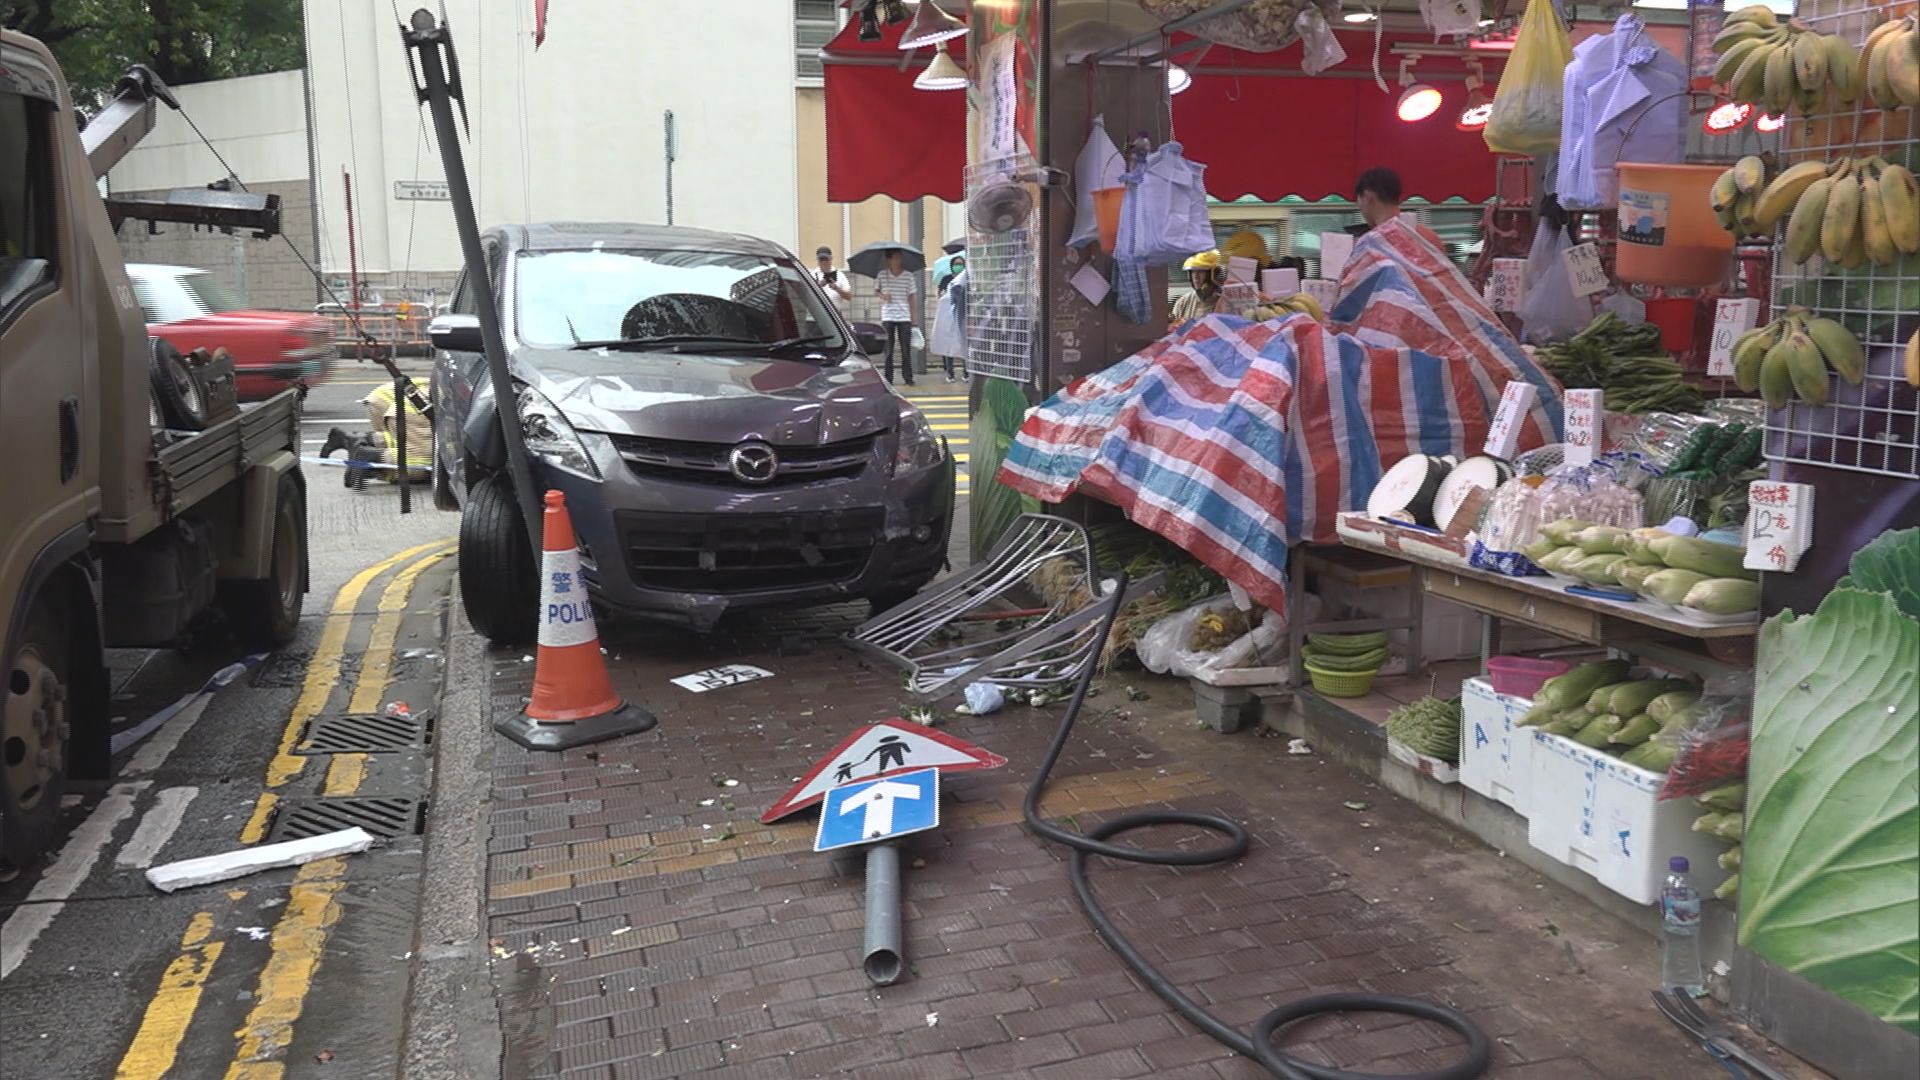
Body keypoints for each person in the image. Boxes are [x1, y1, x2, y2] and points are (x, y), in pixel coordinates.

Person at [1354, 167, 1448, 250]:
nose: (1359, 206)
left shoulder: (1369, 244)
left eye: (1358, 200)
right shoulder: (1429, 237)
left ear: (1367, 197)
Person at [874, 249, 918, 385]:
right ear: (889, 260)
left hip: (904, 316)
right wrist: (883, 296)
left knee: (906, 350)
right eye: (895, 258)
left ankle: (908, 377)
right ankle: (888, 378)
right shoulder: (882, 275)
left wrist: (913, 319)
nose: (898, 261)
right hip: (888, 316)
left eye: (900, 258)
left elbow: (912, 298)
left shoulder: (908, 276)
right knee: (888, 350)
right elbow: (876, 290)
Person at [1171, 249, 1224, 325]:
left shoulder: (1225, 301)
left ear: (1214, 274)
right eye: (1193, 271)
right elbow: (1173, 331)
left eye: (1201, 271)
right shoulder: (1183, 302)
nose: (1195, 276)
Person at [811, 246, 852, 318]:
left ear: (831, 259)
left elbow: (849, 297)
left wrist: (837, 289)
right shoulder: (812, 275)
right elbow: (806, 295)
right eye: (821, 259)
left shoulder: (840, 275)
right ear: (817, 260)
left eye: (826, 259)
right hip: (816, 316)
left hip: (835, 316)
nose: (824, 262)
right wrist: (818, 286)